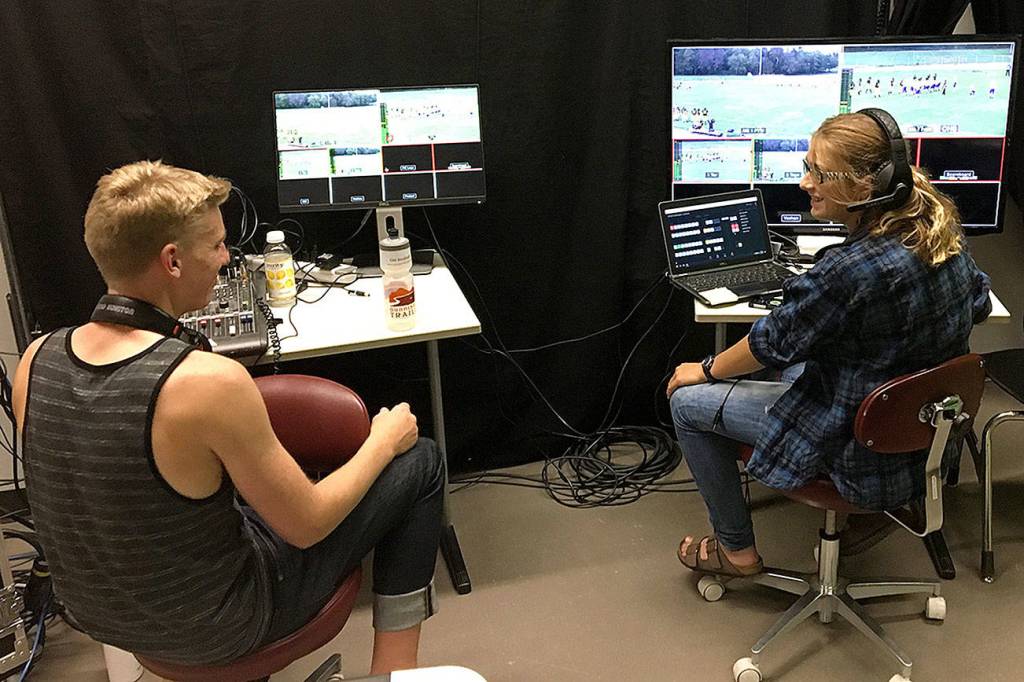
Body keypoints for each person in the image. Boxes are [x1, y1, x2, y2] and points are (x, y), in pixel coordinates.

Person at [11, 160, 444, 673]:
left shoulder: (35, 359)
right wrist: (383, 440)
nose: (225, 257)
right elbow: (307, 526)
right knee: (420, 460)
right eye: (216, 244)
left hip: (99, 619)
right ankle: (394, 673)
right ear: (172, 261)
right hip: (224, 624)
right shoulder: (207, 382)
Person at [666, 112, 991, 577]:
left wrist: (704, 368)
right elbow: (979, 302)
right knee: (798, 366)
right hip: (921, 433)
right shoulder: (939, 227)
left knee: (686, 402)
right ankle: (872, 515)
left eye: (819, 174)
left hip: (857, 444)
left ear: (865, 187)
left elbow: (770, 342)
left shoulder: (848, 271)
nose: (805, 183)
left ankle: (735, 552)